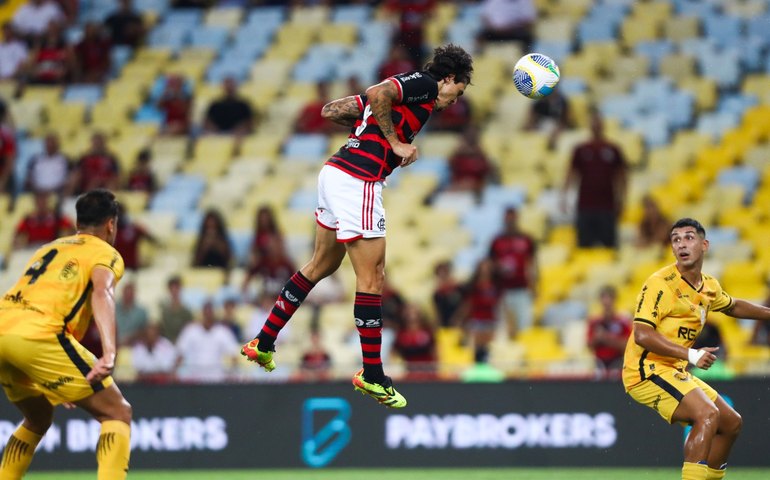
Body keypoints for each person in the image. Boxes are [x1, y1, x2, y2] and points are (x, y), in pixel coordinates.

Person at [241, 43, 474, 408]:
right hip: (359, 178)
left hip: (334, 172)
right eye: (456, 92)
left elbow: (332, 110)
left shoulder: (410, 96)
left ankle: (264, 341)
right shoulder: (426, 86)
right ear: (448, 79)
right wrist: (393, 141)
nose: (453, 101)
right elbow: (378, 93)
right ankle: (372, 374)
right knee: (372, 278)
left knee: (322, 265)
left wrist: (373, 119)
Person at [623, 218, 770, 480]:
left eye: (688, 237)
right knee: (707, 413)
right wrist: (693, 355)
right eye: (676, 239)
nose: (681, 244)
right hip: (644, 371)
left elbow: (733, 305)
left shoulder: (709, 286)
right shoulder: (659, 283)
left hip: (673, 370)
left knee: (731, 423)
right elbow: (642, 334)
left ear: (704, 245)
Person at [0, 189, 132, 479]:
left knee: (37, 418)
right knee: (117, 413)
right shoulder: (105, 252)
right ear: (111, 224)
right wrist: (109, 352)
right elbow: (102, 291)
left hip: (3, 330)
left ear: (78, 222)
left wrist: (56, 379)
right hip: (38, 336)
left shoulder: (50, 248)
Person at [561, 109, 627, 248]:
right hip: (585, 207)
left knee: (609, 247)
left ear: (603, 125)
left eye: (599, 123)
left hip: (607, 206)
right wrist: (564, 197)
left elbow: (622, 177)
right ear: (590, 126)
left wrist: (622, 199)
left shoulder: (613, 149)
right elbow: (571, 174)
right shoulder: (581, 149)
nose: (596, 125)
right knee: (584, 247)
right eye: (594, 123)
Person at [488, 206, 537, 338]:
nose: (509, 221)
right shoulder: (497, 241)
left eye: (512, 218)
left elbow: (533, 264)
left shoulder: (526, 239)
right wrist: (498, 267)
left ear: (516, 218)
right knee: (503, 326)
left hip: (522, 288)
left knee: (525, 325)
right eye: (507, 218)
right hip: (502, 290)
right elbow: (489, 264)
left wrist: (533, 286)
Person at [175, 300, 240, 383]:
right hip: (194, 375)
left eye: (210, 313)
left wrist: (232, 373)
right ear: (202, 314)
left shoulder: (223, 332)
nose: (208, 316)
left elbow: (234, 355)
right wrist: (174, 372)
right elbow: (180, 353)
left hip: (216, 376)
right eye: (206, 313)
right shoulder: (190, 330)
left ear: (214, 314)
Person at [586, 285, 631, 379]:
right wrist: (596, 338)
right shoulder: (594, 322)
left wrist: (606, 338)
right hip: (599, 363)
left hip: (618, 362)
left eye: (609, 298)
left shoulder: (623, 321)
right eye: (603, 298)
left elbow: (628, 346)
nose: (606, 302)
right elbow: (589, 345)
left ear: (614, 300)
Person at [444, 125, 495, 200]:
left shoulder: (481, 154)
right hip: (458, 186)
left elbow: (488, 170)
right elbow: (449, 165)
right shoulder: (458, 153)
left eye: (473, 134)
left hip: (477, 189)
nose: (471, 136)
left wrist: (480, 152)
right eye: (468, 134)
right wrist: (458, 150)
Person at [392, 303, 437, 380]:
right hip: (408, 370)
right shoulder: (401, 332)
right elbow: (395, 352)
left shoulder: (427, 330)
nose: (412, 315)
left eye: (414, 312)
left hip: (426, 369)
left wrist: (435, 367)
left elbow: (434, 350)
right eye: (409, 312)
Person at [25, 132, 70, 196]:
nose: (49, 145)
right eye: (48, 143)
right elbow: (29, 177)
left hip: (57, 193)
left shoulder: (64, 160)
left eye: (52, 143)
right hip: (38, 193)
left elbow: (68, 179)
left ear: (57, 144)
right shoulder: (35, 159)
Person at [158, 275, 194, 343]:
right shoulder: (164, 311)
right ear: (168, 290)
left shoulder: (186, 312)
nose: (174, 291)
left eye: (176, 288)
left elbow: (189, 332)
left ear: (180, 289)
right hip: (167, 345)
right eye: (172, 288)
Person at [115, 281, 148, 346]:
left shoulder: (141, 312)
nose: (128, 296)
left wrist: (132, 337)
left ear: (134, 294)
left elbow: (145, 331)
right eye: (126, 293)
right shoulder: (113, 308)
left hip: (134, 346)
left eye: (130, 293)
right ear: (122, 293)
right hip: (114, 345)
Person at [432, 260, 464, 328]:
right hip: (445, 323)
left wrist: (459, 317)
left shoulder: (458, 288)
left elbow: (465, 304)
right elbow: (438, 311)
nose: (442, 275)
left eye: (444, 272)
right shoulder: (437, 293)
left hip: (460, 322)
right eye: (439, 273)